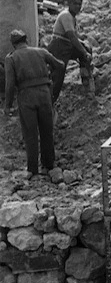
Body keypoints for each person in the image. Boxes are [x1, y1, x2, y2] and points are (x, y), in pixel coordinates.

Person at [4, 29, 64, 178]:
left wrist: (8, 105)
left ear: (13, 44)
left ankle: (32, 168)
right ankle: (49, 165)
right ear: (27, 40)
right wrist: (52, 83)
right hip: (44, 94)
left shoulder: (11, 58)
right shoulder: (40, 51)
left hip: (26, 97)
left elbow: (10, 84)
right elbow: (59, 65)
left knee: (30, 133)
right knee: (46, 131)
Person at [47, 0, 94, 103]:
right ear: (69, 4)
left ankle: (87, 86)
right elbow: (71, 36)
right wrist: (83, 51)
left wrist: (84, 47)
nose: (78, 6)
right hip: (59, 46)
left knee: (85, 51)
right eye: (75, 4)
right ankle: (49, 103)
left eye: (79, 4)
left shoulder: (72, 17)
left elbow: (74, 37)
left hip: (67, 45)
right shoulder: (66, 15)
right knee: (58, 76)